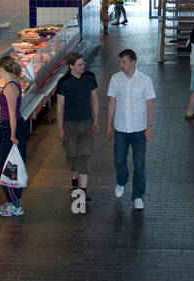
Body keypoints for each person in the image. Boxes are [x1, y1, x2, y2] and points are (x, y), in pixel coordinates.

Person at [106, 48, 155, 210]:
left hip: (139, 129)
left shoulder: (145, 80)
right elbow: (112, 102)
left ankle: (138, 195)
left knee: (139, 164)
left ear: (133, 62)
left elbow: (150, 105)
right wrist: (109, 124)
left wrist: (148, 127)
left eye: (124, 62)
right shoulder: (115, 79)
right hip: (120, 128)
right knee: (119, 161)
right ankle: (122, 180)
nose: (121, 65)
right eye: (120, 62)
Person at [55, 51, 99, 207]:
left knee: (84, 156)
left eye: (83, 63)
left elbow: (94, 99)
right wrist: (60, 129)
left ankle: (83, 191)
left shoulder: (90, 77)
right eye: (79, 64)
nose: (83, 66)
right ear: (71, 66)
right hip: (69, 125)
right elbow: (60, 107)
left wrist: (96, 120)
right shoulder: (64, 82)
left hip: (86, 122)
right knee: (72, 155)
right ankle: (74, 180)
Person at [0, 56, 29, 217]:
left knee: (7, 168)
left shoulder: (10, 87)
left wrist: (13, 136)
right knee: (5, 166)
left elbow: (13, 114)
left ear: (3, 69)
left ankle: (16, 205)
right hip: (9, 128)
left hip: (12, 130)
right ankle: (11, 201)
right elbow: (6, 108)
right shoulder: (11, 84)